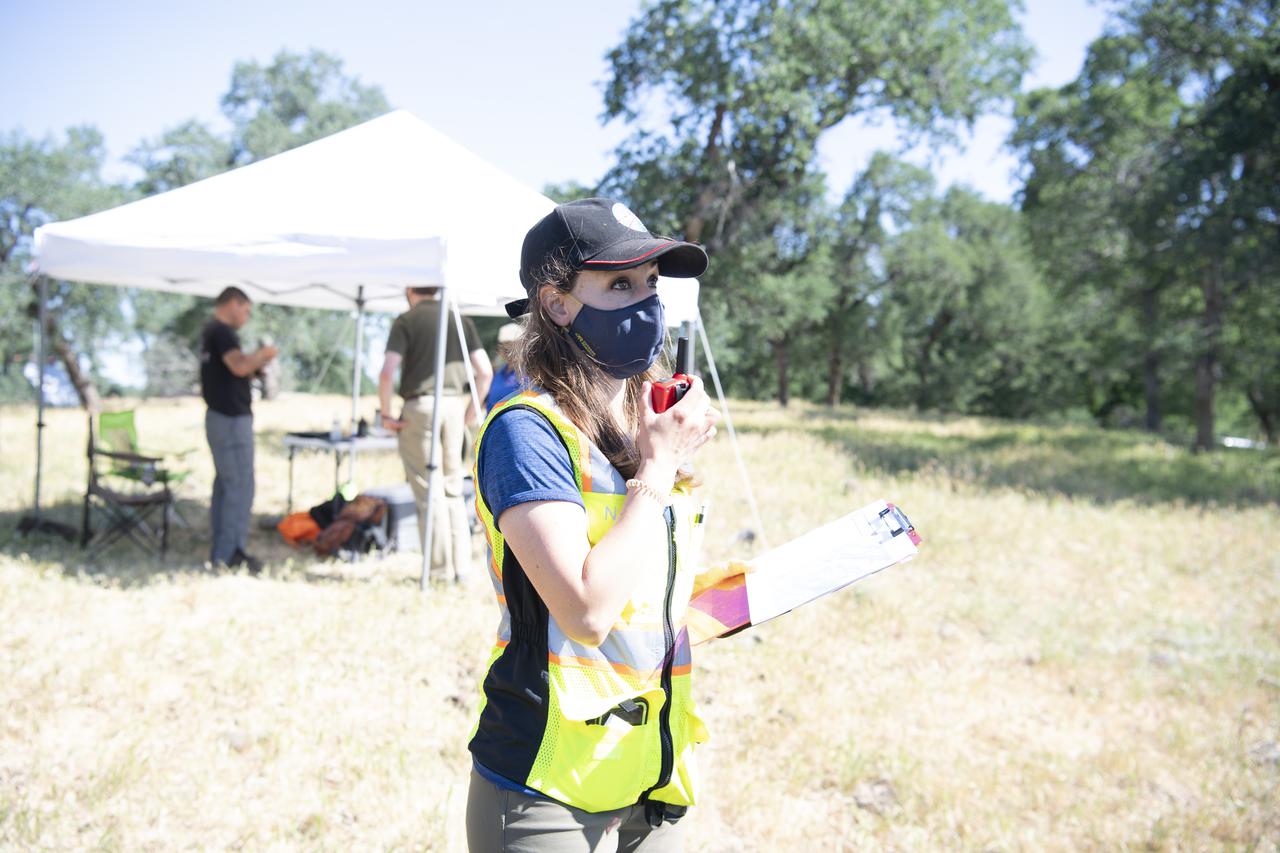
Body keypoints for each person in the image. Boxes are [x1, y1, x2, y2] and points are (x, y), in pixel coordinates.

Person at [465, 198, 730, 851]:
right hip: (548, 776)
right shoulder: (526, 432)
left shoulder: (638, 429)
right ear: (556, 304)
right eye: (619, 284)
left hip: (650, 766)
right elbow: (585, 611)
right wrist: (660, 467)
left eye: (649, 283)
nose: (645, 302)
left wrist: (739, 596)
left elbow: (645, 587)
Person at [378, 286, 492, 582]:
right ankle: (462, 568)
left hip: (421, 406)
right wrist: (470, 410)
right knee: (453, 487)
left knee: (428, 491)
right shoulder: (460, 320)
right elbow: (485, 372)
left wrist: (387, 414)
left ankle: (439, 572)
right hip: (455, 405)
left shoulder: (407, 320)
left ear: (408, 290)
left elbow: (387, 372)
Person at [200, 286, 278, 573]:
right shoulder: (221, 332)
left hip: (221, 418)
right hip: (230, 420)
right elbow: (238, 366)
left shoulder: (211, 333)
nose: (246, 317)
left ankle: (223, 550)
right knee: (240, 486)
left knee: (226, 485)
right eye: (245, 310)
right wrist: (263, 356)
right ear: (233, 303)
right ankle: (229, 554)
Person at [484, 322, 526, 411]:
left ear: (523, 345)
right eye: (504, 347)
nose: (508, 352)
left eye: (512, 346)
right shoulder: (498, 372)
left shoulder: (529, 374)